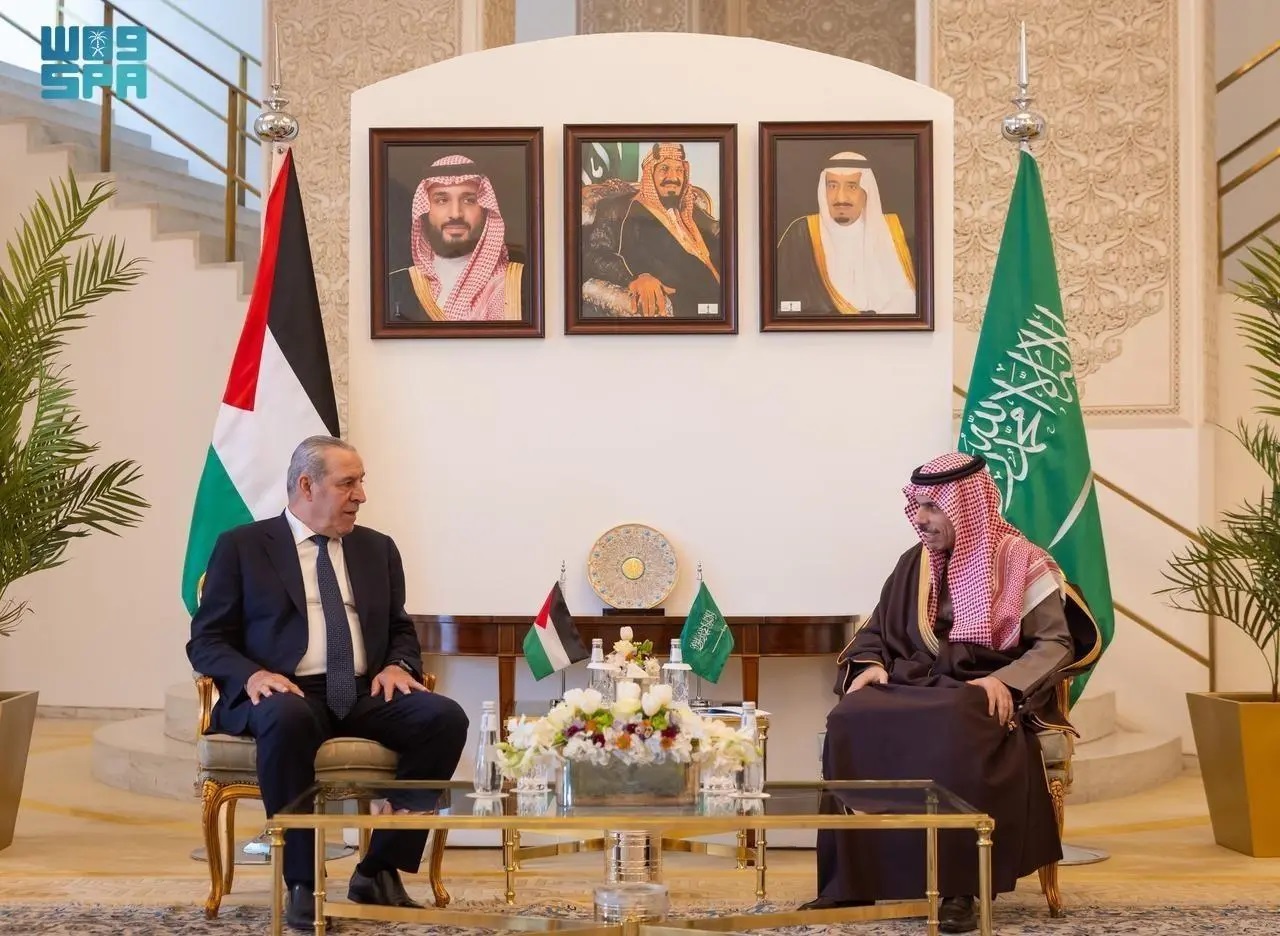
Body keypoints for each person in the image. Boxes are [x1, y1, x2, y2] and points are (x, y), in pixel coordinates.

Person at [805, 452, 1099, 933]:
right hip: (915, 684)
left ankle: (960, 888)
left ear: (965, 506)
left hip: (982, 689)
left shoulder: (1023, 561)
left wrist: (1005, 681)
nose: (920, 518)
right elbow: (876, 630)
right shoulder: (914, 564)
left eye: (932, 507)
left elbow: (1056, 644)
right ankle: (849, 884)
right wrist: (871, 665)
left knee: (957, 717)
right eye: (917, 506)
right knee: (850, 715)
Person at [187, 435, 469, 931]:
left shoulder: (377, 548)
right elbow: (207, 640)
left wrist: (398, 665)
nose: (361, 496)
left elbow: (400, 628)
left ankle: (378, 870)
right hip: (286, 691)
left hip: (362, 690)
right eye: (348, 484)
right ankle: (302, 882)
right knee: (287, 717)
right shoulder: (243, 547)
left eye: (361, 483)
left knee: (444, 718)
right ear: (306, 485)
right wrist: (253, 675)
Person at [582, 142, 721, 318]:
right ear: (650, 173)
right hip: (687, 304)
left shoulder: (689, 208)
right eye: (664, 169)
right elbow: (594, 255)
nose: (673, 177)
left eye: (679, 170)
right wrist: (636, 277)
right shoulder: (620, 209)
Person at [387, 154, 527, 322]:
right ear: (424, 211)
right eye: (442, 200)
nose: (455, 213)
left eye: (469, 200)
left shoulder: (520, 283)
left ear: (485, 210)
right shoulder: (397, 286)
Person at [775, 151, 916, 317]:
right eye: (832, 186)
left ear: (866, 191)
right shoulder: (800, 234)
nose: (840, 197)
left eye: (852, 186)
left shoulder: (897, 232)